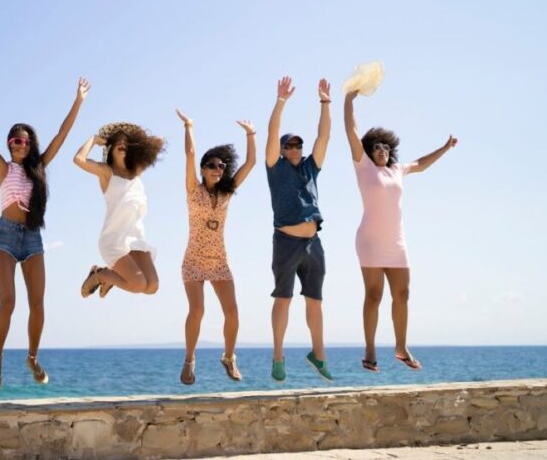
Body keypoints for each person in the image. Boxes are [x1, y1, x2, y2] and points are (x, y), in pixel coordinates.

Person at [0, 69, 90, 389]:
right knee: (8, 302)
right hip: (5, 235)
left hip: (32, 238)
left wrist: (78, 102)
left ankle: (32, 357)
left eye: (22, 140)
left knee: (38, 304)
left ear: (30, 143)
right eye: (12, 140)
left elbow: (62, 134)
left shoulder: (39, 167)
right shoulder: (3, 168)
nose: (16, 144)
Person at [344, 90, 458, 372]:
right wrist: (348, 100)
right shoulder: (364, 167)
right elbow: (351, 129)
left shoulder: (397, 169)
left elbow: (421, 163)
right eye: (377, 147)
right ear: (369, 151)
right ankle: (370, 350)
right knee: (373, 295)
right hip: (370, 241)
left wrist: (444, 147)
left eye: (386, 147)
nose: (382, 149)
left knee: (403, 294)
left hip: (396, 243)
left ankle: (401, 346)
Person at [175, 109, 256, 385]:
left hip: (219, 261)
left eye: (221, 166)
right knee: (197, 311)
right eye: (211, 165)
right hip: (194, 261)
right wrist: (189, 126)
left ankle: (229, 357)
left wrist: (250, 134)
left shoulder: (226, 193)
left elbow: (251, 162)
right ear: (202, 169)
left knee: (232, 312)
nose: (217, 170)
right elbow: (189, 154)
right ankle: (189, 360)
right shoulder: (192, 190)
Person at [264, 76, 333, 383]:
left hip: (314, 242)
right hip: (286, 241)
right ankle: (278, 357)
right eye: (288, 145)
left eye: (297, 145)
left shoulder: (309, 167)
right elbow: (272, 132)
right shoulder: (275, 167)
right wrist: (281, 101)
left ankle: (318, 355)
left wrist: (325, 102)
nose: (294, 148)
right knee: (284, 298)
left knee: (315, 301)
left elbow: (324, 136)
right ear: (281, 150)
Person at [74, 122, 165, 298]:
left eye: (126, 142)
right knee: (138, 284)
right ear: (110, 148)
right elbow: (79, 160)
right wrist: (93, 139)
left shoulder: (137, 171)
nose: (122, 144)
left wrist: (139, 140)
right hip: (114, 240)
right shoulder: (106, 172)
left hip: (135, 238)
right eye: (117, 142)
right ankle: (101, 275)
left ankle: (109, 278)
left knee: (152, 286)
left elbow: (159, 142)